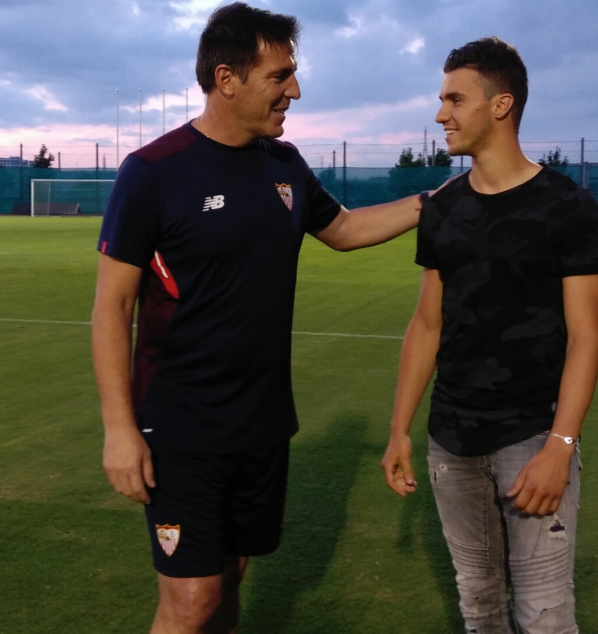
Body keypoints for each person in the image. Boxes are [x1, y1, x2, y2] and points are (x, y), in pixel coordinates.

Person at [90, 4, 424, 633]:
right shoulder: (154, 173)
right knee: (189, 602)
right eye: (280, 76)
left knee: (228, 580)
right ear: (227, 79)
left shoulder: (285, 165)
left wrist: (431, 203)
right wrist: (119, 429)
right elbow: (112, 307)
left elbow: (346, 230)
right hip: (180, 424)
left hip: (263, 423)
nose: (294, 90)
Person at [380, 37, 598, 634]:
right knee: (479, 607)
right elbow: (427, 324)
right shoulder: (441, 209)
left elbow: (586, 338)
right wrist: (399, 430)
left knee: (546, 615)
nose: (440, 114)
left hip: (530, 441)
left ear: (501, 105)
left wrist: (559, 446)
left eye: (455, 99)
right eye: (441, 99)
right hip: (450, 443)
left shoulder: (568, 207)